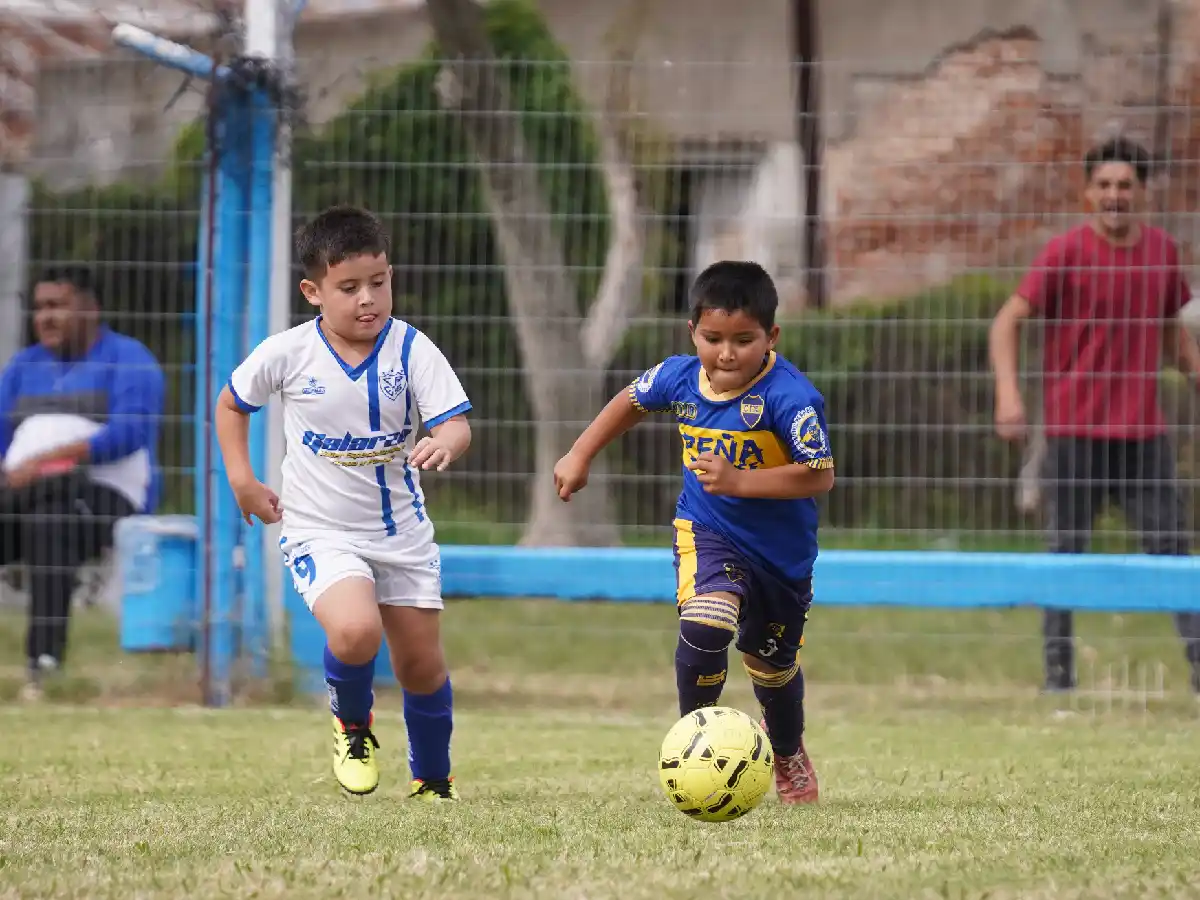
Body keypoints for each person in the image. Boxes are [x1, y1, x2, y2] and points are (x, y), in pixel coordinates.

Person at [215, 206, 472, 800]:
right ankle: (353, 727)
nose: (368, 300)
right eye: (349, 287)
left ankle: (434, 782)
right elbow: (231, 404)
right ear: (313, 291)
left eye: (378, 283)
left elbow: (456, 425)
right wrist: (242, 479)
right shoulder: (286, 353)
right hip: (318, 530)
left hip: (401, 533)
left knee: (420, 667)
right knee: (356, 633)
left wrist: (444, 442)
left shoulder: (411, 350)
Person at [554, 260, 834, 805]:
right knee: (707, 624)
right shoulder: (679, 376)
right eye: (713, 338)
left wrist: (741, 480)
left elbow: (821, 474)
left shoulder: (791, 398)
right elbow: (629, 401)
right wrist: (580, 453)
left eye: (743, 340)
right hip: (707, 530)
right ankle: (694, 744)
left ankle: (789, 751)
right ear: (693, 333)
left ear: (771, 336)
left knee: (770, 667)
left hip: (781, 555)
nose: (726, 353)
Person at [989, 136, 1200, 694]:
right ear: (1088, 194)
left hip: (1144, 436)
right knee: (1065, 560)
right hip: (1072, 435)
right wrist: (1009, 395)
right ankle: (1060, 682)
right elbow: (1007, 321)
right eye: (1104, 185)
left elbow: (1174, 337)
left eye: (1125, 185)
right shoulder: (1063, 253)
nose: (1114, 195)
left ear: (1142, 192)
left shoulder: (1162, 252)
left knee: (1175, 558)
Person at [0, 265, 164, 699]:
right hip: (24, 495)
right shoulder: (23, 366)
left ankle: (44, 664)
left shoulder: (129, 359)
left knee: (51, 518)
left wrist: (47, 460)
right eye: (40, 308)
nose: (45, 318)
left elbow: (129, 434)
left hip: (104, 496)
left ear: (90, 308)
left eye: (57, 306)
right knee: (40, 507)